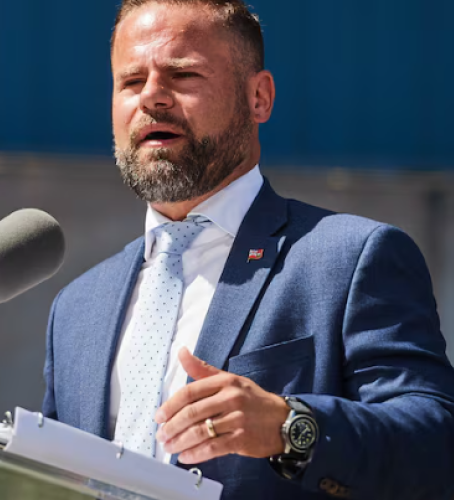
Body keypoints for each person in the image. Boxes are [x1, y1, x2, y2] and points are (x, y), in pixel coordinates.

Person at [41, 1, 454, 498]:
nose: (152, 97)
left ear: (259, 97)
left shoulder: (350, 260)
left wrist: (289, 426)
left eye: (183, 74)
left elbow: (436, 447)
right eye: (130, 82)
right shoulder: (76, 308)